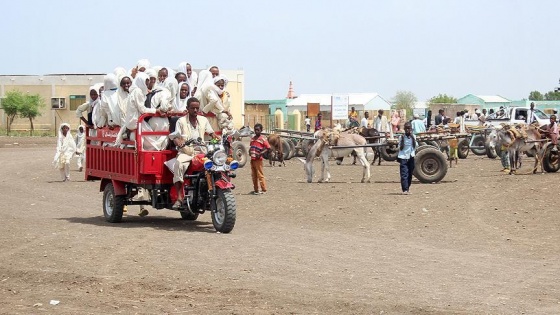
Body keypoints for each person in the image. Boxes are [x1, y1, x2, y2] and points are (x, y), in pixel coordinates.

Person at [169, 97, 220, 209]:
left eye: (197, 108)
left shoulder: (203, 120)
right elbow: (174, 136)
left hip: (201, 152)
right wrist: (179, 142)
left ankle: (214, 191)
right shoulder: (181, 121)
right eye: (193, 108)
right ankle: (179, 197)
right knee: (179, 165)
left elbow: (211, 133)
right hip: (186, 152)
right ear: (187, 108)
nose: (195, 110)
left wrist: (219, 138)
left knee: (217, 165)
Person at [249, 123, 271, 195]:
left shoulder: (263, 139)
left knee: (260, 175)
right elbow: (251, 146)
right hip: (252, 159)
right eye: (255, 130)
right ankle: (256, 190)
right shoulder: (252, 138)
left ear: (261, 130)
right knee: (254, 175)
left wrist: (260, 153)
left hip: (258, 160)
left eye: (258, 130)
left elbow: (268, 148)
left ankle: (264, 189)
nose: (256, 131)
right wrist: (250, 152)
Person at [397, 122, 417, 195]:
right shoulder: (401, 137)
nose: (408, 130)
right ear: (404, 129)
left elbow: (415, 146)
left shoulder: (413, 137)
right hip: (403, 157)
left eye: (409, 128)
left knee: (410, 173)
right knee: (404, 173)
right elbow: (399, 147)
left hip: (411, 157)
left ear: (411, 129)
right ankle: (405, 189)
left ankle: (407, 188)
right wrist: (401, 146)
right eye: (406, 128)